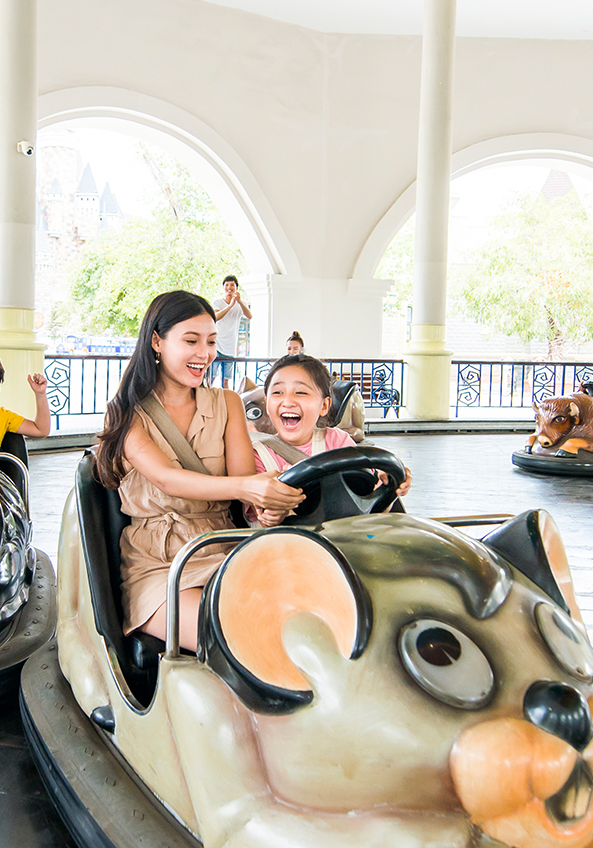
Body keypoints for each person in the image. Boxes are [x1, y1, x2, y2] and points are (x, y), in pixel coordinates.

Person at [95, 290, 301, 646]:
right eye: (191, 341)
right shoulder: (127, 413)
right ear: (157, 342)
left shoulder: (228, 403)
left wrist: (267, 507)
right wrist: (246, 488)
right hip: (161, 563)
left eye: (211, 341)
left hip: (225, 547)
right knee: (237, 635)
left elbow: (244, 483)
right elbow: (166, 478)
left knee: (302, 621)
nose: (205, 354)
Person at [246, 353, 408, 525]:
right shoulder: (258, 455)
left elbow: (370, 508)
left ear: (324, 406)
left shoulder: (338, 441)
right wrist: (275, 512)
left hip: (345, 540)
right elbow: (261, 522)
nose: (288, 401)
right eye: (278, 392)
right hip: (290, 545)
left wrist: (390, 486)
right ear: (267, 404)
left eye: (301, 392)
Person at [213, 274, 252, 387]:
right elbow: (215, 317)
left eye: (232, 285)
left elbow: (249, 316)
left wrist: (238, 302)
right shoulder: (218, 302)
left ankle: (226, 402)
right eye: (227, 285)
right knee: (212, 376)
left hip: (230, 346)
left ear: (236, 288)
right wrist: (230, 305)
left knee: (226, 380)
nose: (229, 287)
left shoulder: (241, 304)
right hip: (217, 344)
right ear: (223, 287)